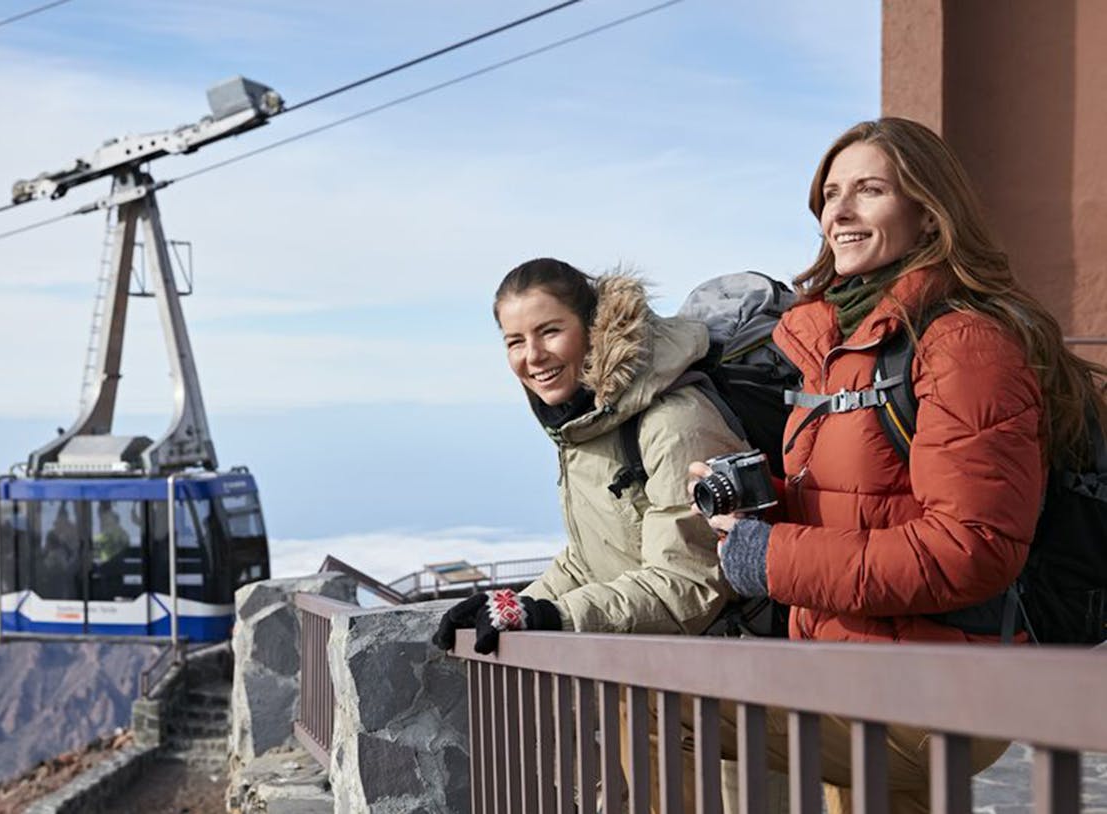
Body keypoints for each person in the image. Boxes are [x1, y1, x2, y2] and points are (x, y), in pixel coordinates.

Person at [692, 116, 1107, 813]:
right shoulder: (835, 345)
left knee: (646, 709)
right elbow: (865, 504)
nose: (840, 213)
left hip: (937, 683)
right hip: (849, 665)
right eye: (829, 194)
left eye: (869, 190)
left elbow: (971, 549)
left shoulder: (963, 342)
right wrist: (757, 510)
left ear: (928, 211)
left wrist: (771, 558)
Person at [434, 257, 780, 811]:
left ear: (593, 328)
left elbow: (688, 581)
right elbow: (591, 557)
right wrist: (515, 603)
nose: (532, 356)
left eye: (550, 331)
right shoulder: (590, 423)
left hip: (732, 693)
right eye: (514, 341)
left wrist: (558, 617)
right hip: (660, 691)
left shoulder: (672, 419)